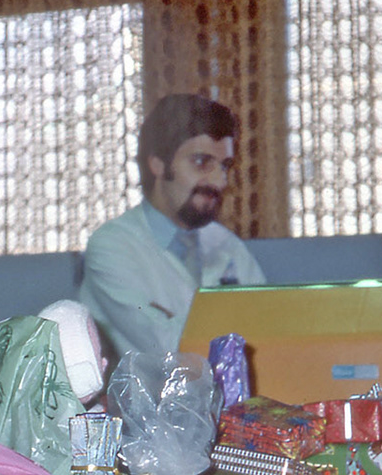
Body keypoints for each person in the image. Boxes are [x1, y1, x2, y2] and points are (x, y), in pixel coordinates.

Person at [80, 93, 265, 359]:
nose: (220, 181)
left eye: (224, 166)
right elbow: (166, 343)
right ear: (158, 163)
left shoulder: (228, 246)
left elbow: (268, 333)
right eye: (201, 162)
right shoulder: (111, 246)